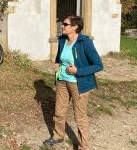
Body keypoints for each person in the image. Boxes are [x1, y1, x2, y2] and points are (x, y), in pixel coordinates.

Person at [44, 15, 103, 150]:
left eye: (65, 24)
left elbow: (98, 65)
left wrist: (78, 70)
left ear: (75, 27)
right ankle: (58, 136)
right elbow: (60, 57)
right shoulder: (63, 40)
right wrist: (58, 64)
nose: (62, 26)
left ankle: (85, 146)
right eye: (63, 24)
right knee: (59, 112)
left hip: (79, 84)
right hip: (62, 81)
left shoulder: (85, 42)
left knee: (80, 117)